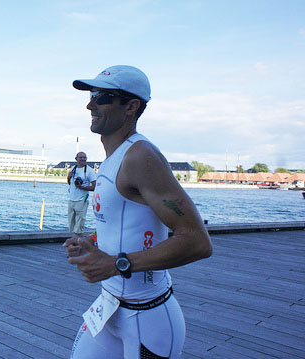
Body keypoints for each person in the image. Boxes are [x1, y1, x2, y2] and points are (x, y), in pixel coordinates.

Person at [63, 65, 213, 359]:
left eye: (103, 97)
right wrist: (93, 242)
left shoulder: (141, 156)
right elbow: (126, 223)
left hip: (149, 317)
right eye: (92, 95)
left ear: (131, 107)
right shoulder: (110, 161)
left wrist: (116, 263)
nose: (90, 104)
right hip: (109, 307)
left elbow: (197, 241)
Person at [67, 152, 96, 235]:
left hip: (82, 200)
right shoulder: (73, 168)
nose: (83, 159)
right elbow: (70, 183)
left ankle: (79, 242)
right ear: (76, 159)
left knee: (79, 225)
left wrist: (82, 187)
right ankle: (74, 240)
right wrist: (69, 177)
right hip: (71, 199)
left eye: (84, 157)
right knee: (71, 224)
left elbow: (94, 187)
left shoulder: (89, 171)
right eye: (81, 157)